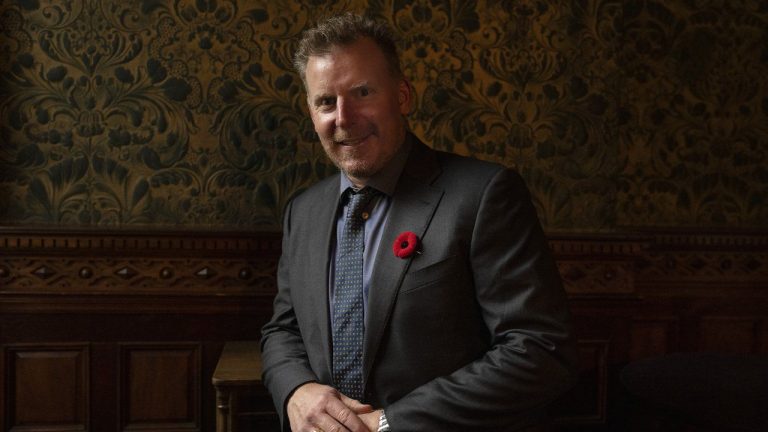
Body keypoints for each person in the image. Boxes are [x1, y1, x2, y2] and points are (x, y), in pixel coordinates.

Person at [260, 13, 576, 432]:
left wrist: (389, 423)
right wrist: (296, 390)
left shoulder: (484, 195)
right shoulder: (303, 211)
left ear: (403, 96)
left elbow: (539, 349)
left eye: (362, 92)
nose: (344, 116)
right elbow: (282, 330)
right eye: (325, 102)